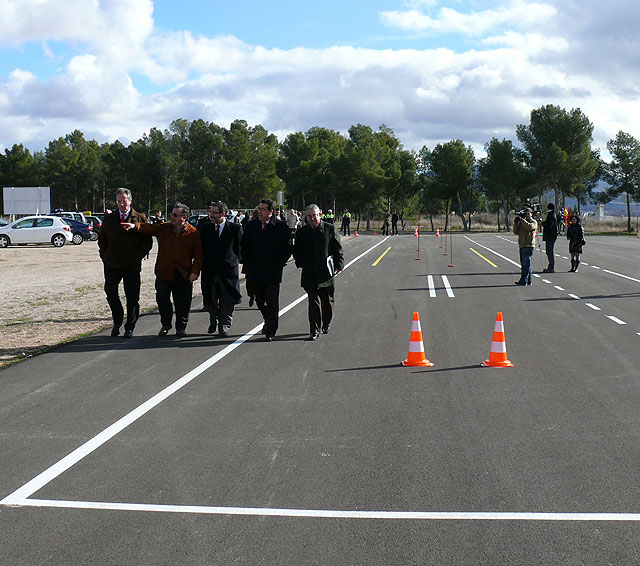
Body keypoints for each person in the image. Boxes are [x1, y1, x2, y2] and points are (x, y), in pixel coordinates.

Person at [123, 203, 202, 336]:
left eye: (175, 215)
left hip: (183, 274)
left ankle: (181, 327)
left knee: (183, 302)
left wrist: (195, 272)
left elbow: (199, 255)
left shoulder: (193, 233)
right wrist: (134, 226)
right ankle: (166, 324)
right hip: (163, 272)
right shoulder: (164, 228)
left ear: (185, 217)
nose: (172, 217)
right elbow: (149, 228)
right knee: (162, 298)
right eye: (172, 214)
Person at [98, 188, 153, 338]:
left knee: (132, 296)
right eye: (119, 201)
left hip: (131, 265)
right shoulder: (110, 219)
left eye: (124, 201)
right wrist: (104, 256)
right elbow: (102, 239)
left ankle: (130, 326)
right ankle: (117, 320)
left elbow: (147, 241)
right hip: (112, 264)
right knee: (110, 291)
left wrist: (138, 256)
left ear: (130, 201)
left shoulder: (140, 218)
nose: (122, 204)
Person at [240, 198, 292, 341]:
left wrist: (278, 263)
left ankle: (271, 329)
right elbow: (244, 245)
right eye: (259, 209)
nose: (260, 212)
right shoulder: (252, 226)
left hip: (273, 272)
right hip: (255, 271)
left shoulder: (280, 227)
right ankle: (266, 318)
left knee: (272, 301)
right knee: (260, 301)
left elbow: (287, 247)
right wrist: (248, 262)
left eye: (263, 209)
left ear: (271, 212)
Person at [293, 204, 344, 341]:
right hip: (309, 273)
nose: (312, 219)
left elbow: (338, 249)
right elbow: (296, 251)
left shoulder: (329, 228)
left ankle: (326, 322)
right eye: (309, 216)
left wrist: (339, 265)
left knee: (327, 301)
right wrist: (300, 262)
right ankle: (314, 330)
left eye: (314, 216)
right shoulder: (302, 232)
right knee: (313, 302)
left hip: (326, 273)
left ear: (319, 215)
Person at [199, 201, 243, 337]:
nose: (211, 215)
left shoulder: (235, 228)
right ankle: (213, 320)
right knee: (211, 299)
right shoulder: (204, 228)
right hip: (209, 271)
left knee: (227, 299)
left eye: (214, 212)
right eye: (210, 212)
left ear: (223, 214)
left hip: (228, 271)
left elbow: (240, 248)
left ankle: (224, 325)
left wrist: (233, 261)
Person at [513, 207, 537, 286]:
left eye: (528, 214)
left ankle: (523, 280)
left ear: (531, 214)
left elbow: (529, 227)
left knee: (525, 264)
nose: (526, 215)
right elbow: (515, 231)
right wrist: (516, 223)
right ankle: (529, 281)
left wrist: (523, 220)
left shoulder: (533, 222)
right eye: (525, 214)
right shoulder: (522, 222)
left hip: (529, 245)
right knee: (526, 264)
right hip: (522, 244)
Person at [541, 203, 558, 273]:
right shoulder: (552, 215)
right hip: (551, 236)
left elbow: (549, 225)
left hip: (550, 236)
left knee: (549, 251)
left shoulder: (551, 216)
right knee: (548, 252)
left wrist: (542, 223)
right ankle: (550, 266)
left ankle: (551, 267)